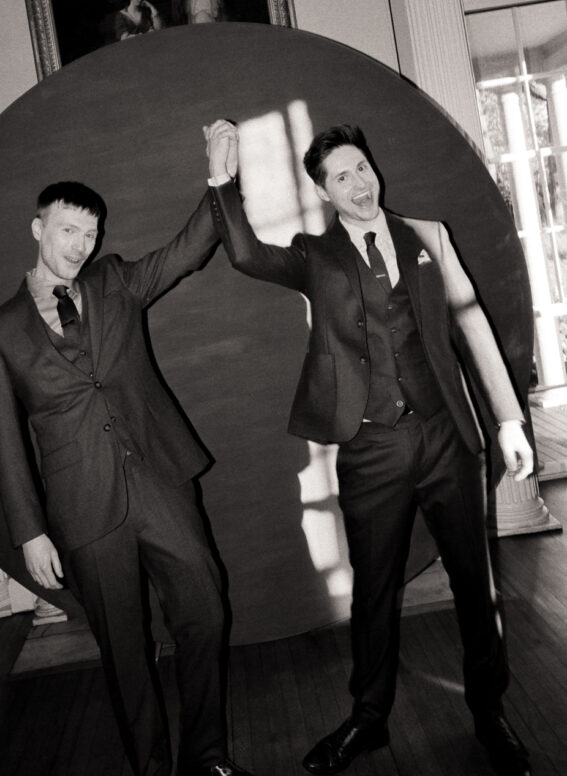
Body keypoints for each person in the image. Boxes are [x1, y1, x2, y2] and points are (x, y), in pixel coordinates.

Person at [204, 119, 534, 776]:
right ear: (324, 192)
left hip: (446, 438)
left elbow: (470, 325)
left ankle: (489, 712)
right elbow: (243, 253)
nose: (358, 184)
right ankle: (369, 718)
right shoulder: (314, 257)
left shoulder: (428, 238)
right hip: (370, 449)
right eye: (340, 177)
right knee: (373, 593)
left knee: (475, 583)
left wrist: (505, 420)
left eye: (361, 167)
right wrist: (220, 178)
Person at [0, 176, 253, 776]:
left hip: (160, 480)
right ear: (38, 228)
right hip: (82, 508)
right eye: (68, 230)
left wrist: (219, 182)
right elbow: (4, 440)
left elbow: (187, 249)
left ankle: (207, 759)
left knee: (205, 611)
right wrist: (30, 530)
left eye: (91, 233)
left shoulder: (115, 281)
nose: (80, 245)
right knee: (125, 655)